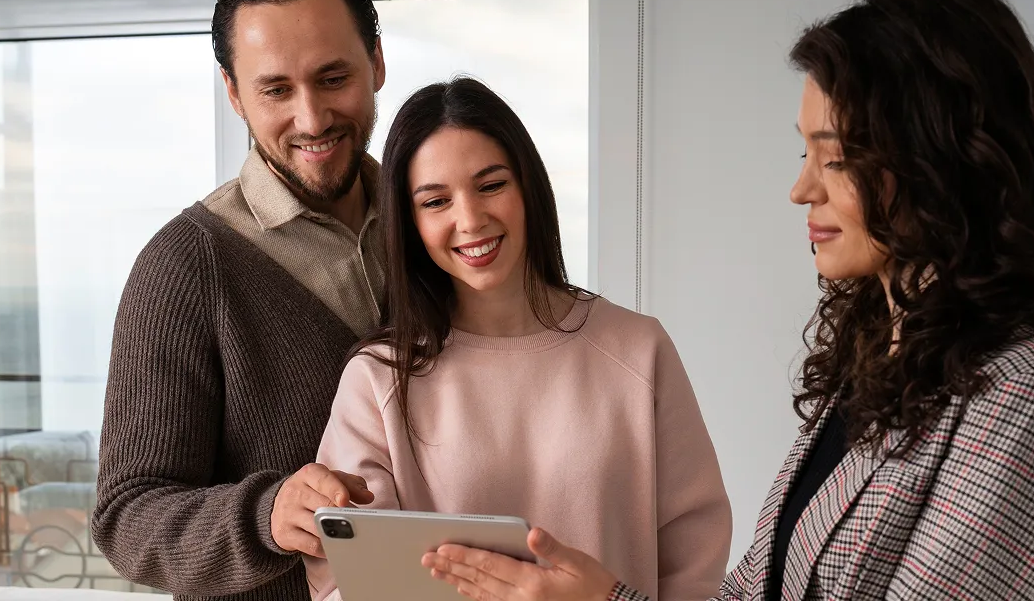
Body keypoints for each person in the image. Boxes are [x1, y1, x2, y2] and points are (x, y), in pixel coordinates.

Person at [421, 0, 1034, 601]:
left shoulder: (1028, 393)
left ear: (939, 162)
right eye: (804, 152)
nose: (801, 189)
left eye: (836, 157)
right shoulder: (883, 363)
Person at [299, 77, 733, 601]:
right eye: (436, 201)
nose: (471, 219)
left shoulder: (639, 349)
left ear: (528, 186)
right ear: (409, 223)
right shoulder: (378, 377)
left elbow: (694, 557)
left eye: (490, 185)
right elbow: (344, 577)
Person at [91, 0, 393, 600]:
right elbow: (127, 518)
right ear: (233, 93)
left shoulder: (436, 228)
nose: (311, 117)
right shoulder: (185, 265)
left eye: (333, 77)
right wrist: (267, 514)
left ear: (376, 61)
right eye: (277, 89)